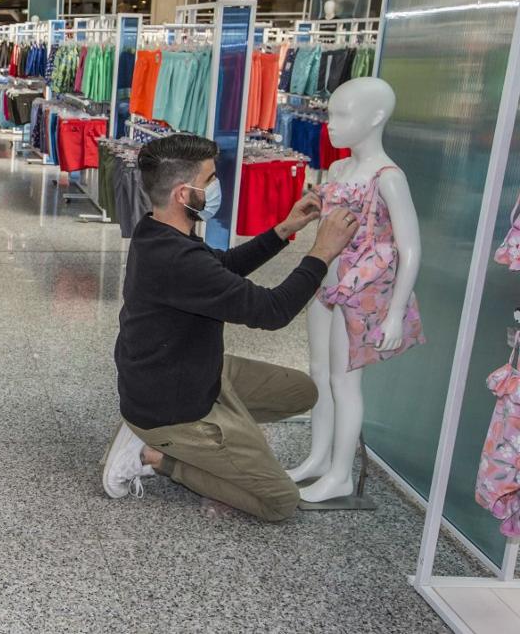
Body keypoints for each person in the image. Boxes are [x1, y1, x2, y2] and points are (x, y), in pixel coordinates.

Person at [102, 134, 358, 521]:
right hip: (172, 406)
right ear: (183, 195)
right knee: (280, 502)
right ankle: (153, 456)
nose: (217, 187)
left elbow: (221, 266)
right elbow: (273, 311)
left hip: (191, 372)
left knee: (302, 392)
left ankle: (210, 436)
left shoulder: (157, 230)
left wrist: (284, 229)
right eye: (210, 180)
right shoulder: (176, 258)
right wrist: (322, 251)